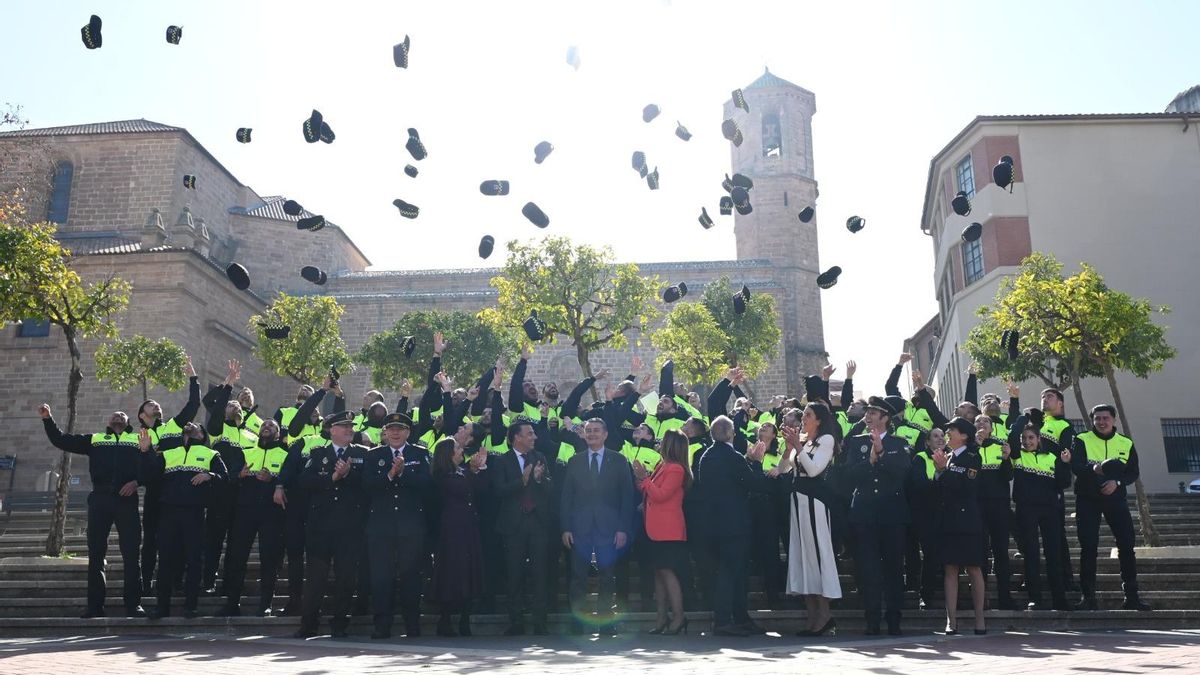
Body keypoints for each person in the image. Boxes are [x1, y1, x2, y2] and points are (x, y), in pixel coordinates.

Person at [39, 403, 145, 618]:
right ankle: (95, 606)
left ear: (128, 422)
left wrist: (137, 481)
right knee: (96, 554)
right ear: (108, 422)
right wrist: (47, 419)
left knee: (132, 554)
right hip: (100, 500)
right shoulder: (95, 439)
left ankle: (134, 605)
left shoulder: (138, 440)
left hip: (127, 501)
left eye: (123, 413)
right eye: (115, 414)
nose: (119, 415)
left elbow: (153, 466)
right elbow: (62, 440)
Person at [293, 411, 369, 639]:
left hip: (350, 527)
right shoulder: (318, 454)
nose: (349, 430)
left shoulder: (363, 454)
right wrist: (332, 479)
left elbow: (368, 484)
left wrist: (347, 476)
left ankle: (340, 625)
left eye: (351, 426)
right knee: (316, 578)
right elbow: (304, 481)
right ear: (331, 430)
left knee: (346, 577)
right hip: (321, 527)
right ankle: (309, 624)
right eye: (343, 426)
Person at [139, 421, 226, 619]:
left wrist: (209, 475)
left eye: (195, 425)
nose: (190, 425)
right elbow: (149, 476)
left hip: (195, 513)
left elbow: (225, 478)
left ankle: (191, 606)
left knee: (194, 560)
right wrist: (145, 452)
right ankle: (162, 607)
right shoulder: (168, 454)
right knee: (166, 560)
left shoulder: (211, 455)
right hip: (168, 512)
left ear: (202, 435)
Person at [560, 417, 637, 635]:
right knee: (577, 577)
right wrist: (565, 528)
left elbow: (627, 497)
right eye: (588, 430)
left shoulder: (619, 460)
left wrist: (623, 529)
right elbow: (567, 497)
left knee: (607, 576)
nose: (592, 434)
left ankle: (605, 623)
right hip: (579, 529)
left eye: (596, 430)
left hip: (609, 529)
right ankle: (577, 623)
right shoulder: (575, 461)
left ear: (605, 435)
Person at [694, 415, 770, 636]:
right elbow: (755, 484)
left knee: (733, 573)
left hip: (714, 525)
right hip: (734, 525)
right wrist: (755, 462)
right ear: (730, 433)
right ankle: (725, 619)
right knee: (732, 573)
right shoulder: (733, 457)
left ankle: (740, 617)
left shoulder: (706, 457)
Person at [1071, 404, 1151, 611]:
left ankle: (1131, 597)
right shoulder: (1081, 439)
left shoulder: (1125, 442)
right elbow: (1076, 465)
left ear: (1113, 419)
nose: (1101, 422)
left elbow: (1133, 472)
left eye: (1105, 418)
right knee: (1088, 547)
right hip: (1087, 499)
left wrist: (1117, 483)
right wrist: (1093, 468)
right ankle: (1088, 598)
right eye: (1097, 418)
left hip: (1115, 499)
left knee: (1126, 545)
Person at [842, 397, 910, 636]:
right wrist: (870, 460)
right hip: (865, 516)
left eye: (874, 412)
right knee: (868, 570)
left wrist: (881, 454)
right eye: (868, 412)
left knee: (893, 569)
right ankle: (872, 620)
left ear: (885, 418)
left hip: (892, 515)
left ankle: (894, 620)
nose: (868, 416)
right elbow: (849, 475)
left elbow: (902, 473)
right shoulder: (857, 443)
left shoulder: (899, 443)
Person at [776, 403, 842, 637]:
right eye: (803, 414)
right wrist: (788, 448)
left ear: (819, 420)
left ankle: (825, 616)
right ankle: (812, 615)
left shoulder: (826, 441)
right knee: (803, 557)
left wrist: (798, 446)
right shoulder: (801, 440)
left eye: (808, 415)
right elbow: (782, 469)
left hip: (815, 503)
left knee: (816, 556)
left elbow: (814, 470)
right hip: (798, 503)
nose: (803, 418)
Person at [363, 411, 431, 639]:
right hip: (381, 527)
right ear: (385, 432)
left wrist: (403, 474)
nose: (395, 432)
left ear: (408, 432)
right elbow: (367, 486)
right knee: (381, 577)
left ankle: (412, 624)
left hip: (411, 526)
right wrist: (391, 474)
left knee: (411, 575)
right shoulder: (374, 455)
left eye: (400, 429)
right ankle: (382, 624)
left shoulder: (420, 454)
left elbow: (427, 484)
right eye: (391, 429)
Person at [136, 355, 199, 596]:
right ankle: (146, 581)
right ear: (142, 415)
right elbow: (139, 468)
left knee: (179, 538)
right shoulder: (139, 437)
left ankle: (176, 579)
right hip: (155, 492)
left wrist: (193, 377)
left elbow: (194, 404)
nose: (157, 406)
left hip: (177, 490)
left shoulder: (173, 426)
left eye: (157, 405)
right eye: (151, 405)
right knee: (151, 538)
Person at [217, 417, 289, 617]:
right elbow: (229, 477)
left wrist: (272, 479)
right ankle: (232, 603)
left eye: (271, 426)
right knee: (237, 557)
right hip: (245, 510)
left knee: (270, 559)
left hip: (272, 513)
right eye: (264, 425)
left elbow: (290, 480)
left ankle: (266, 604)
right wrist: (240, 475)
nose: (266, 427)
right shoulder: (245, 451)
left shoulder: (285, 454)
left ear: (278, 432)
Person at [201, 360, 259, 595]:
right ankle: (208, 580)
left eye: (238, 405)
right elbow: (214, 410)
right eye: (230, 405)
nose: (235, 407)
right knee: (214, 537)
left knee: (238, 541)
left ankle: (231, 582)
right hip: (220, 491)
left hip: (243, 492)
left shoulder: (250, 435)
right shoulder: (218, 429)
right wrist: (228, 386)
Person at [492, 418, 552, 636]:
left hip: (537, 524)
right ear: (517, 437)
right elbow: (498, 490)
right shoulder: (502, 460)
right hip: (513, 525)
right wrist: (522, 481)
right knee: (514, 574)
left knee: (539, 574)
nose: (534, 437)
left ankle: (540, 622)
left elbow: (549, 487)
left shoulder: (539, 457)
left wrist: (538, 479)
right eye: (529, 433)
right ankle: (516, 621)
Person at [1007, 409, 1072, 611]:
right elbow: (1011, 437)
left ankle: (1059, 599)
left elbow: (1064, 482)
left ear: (1038, 438)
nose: (1028, 441)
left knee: (1054, 554)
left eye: (1031, 437)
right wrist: (1023, 419)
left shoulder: (1051, 457)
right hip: (1026, 510)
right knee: (1032, 554)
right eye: (1024, 438)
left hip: (1050, 510)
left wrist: (1065, 464)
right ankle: (1034, 598)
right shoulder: (1017, 456)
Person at [632, 429, 690, 636]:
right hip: (655, 527)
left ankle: (679, 616)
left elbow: (661, 495)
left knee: (667, 571)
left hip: (668, 529)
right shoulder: (662, 465)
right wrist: (643, 479)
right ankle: (661, 618)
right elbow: (648, 491)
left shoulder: (676, 469)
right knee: (659, 572)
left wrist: (644, 479)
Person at [933, 417, 987, 635]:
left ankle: (980, 620)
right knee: (950, 569)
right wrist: (940, 471)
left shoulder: (973, 456)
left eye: (952, 431)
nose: (947, 435)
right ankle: (951, 620)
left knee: (974, 568)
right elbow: (939, 488)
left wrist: (944, 471)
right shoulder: (948, 458)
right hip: (949, 520)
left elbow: (967, 486)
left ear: (964, 435)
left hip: (968, 520)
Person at [430, 436, 489, 636]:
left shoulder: (462, 472)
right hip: (451, 531)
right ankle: (445, 619)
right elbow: (460, 489)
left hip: (468, 528)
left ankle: (465, 618)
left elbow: (480, 490)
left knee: (468, 572)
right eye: (457, 448)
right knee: (451, 572)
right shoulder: (442, 475)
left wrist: (476, 470)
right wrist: (473, 470)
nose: (461, 451)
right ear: (448, 453)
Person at [975, 415, 1016, 610]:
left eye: (985, 423)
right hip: (976, 507)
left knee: (1001, 553)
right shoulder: (968, 448)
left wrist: (1007, 459)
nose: (981, 425)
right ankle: (981, 599)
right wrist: (975, 446)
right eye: (978, 422)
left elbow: (1008, 476)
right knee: (980, 553)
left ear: (992, 428)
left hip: (999, 506)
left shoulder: (1001, 446)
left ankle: (1005, 598)